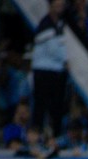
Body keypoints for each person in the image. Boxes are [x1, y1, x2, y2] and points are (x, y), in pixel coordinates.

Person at [31, 0, 69, 136]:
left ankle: (55, 137)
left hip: (57, 70)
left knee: (57, 106)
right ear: (50, 6)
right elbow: (52, 48)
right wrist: (65, 61)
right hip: (44, 70)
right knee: (41, 105)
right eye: (57, 5)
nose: (60, 8)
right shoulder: (45, 24)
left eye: (62, 5)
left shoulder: (60, 23)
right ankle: (36, 137)